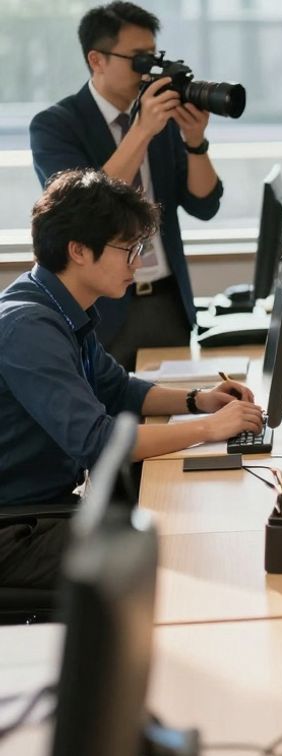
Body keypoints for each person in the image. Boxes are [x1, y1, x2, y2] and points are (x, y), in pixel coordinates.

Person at [0, 170, 263, 584]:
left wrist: (199, 400)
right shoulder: (29, 328)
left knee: (176, 517)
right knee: (173, 545)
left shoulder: (57, 304)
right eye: (129, 249)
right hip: (15, 533)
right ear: (79, 251)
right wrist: (209, 428)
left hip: (45, 509)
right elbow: (100, 443)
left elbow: (117, 387)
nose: (138, 263)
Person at [29, 1, 225, 368]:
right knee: (108, 420)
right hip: (100, 311)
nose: (149, 70)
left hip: (167, 302)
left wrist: (195, 141)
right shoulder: (54, 125)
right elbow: (85, 207)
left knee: (174, 412)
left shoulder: (160, 121)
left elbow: (205, 204)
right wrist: (141, 131)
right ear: (97, 60)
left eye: (154, 57)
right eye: (138, 59)